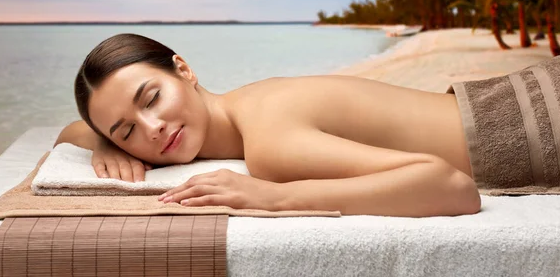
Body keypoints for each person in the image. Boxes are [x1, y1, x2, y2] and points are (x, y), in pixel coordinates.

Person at [55, 33, 488, 217]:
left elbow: (451, 187)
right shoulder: (245, 103)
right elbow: (69, 132)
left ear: (184, 69)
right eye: (127, 130)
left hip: (526, 122)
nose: (152, 128)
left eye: (152, 98)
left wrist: (275, 197)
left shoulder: (270, 141)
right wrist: (104, 144)